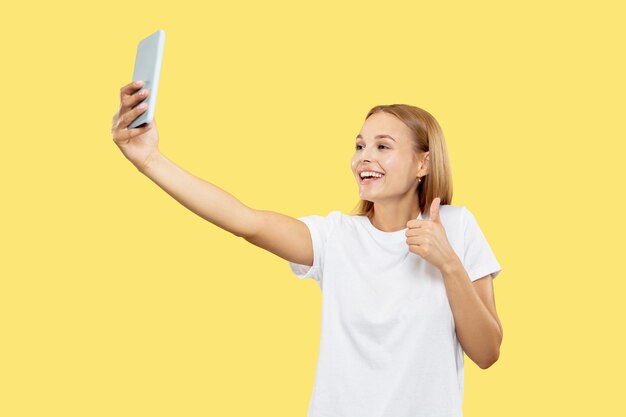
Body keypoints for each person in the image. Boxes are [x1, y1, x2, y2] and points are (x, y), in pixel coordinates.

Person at [111, 80, 503, 417]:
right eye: (360, 145)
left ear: (423, 164)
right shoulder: (336, 238)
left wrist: (448, 263)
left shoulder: (456, 226)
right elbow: (246, 222)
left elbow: (487, 352)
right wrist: (150, 160)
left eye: (383, 147)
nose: (363, 157)